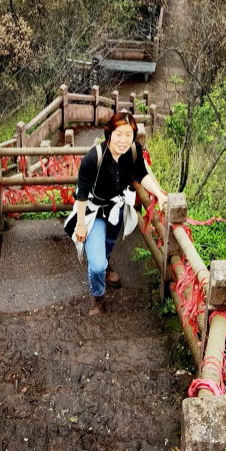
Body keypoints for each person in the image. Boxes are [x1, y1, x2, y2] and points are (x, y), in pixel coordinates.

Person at [65, 111, 167, 315]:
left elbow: (142, 174)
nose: (123, 140)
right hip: (94, 211)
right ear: (109, 133)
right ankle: (98, 296)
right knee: (95, 264)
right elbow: (81, 193)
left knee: (109, 245)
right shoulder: (93, 158)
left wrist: (159, 193)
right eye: (119, 134)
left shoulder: (134, 151)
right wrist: (81, 225)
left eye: (128, 135)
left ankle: (107, 266)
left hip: (116, 208)